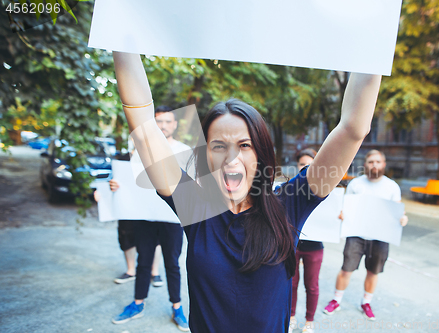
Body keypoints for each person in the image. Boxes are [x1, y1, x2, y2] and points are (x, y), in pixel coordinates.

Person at [113, 51, 382, 333]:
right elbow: (143, 129)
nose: (231, 158)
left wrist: (373, 44)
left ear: (261, 153)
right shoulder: (195, 204)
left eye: (244, 145)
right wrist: (121, 36)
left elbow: (353, 128)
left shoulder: (289, 203)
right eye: (218, 146)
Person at [111, 106, 190, 332]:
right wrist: (116, 185)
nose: (163, 126)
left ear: (174, 125)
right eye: (159, 122)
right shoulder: (140, 151)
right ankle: (137, 304)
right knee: (143, 261)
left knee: (172, 264)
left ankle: (177, 308)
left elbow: (195, 184)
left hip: (172, 218)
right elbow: (127, 181)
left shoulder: (184, 151)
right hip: (143, 217)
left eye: (167, 122)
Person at [323, 150, 408, 321]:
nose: (374, 165)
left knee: (373, 271)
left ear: (383, 164)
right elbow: (345, 208)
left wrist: (403, 218)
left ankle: (366, 302)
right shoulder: (356, 184)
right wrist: (342, 214)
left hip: (381, 236)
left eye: (377, 161)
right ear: (365, 165)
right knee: (346, 269)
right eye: (371, 162)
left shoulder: (392, 186)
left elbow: (398, 210)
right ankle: (336, 300)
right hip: (356, 235)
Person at [289, 149, 324, 333]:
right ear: (297, 166)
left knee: (311, 285)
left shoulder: (326, 190)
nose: (306, 167)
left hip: (315, 246)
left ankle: (309, 320)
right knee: (291, 283)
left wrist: (341, 217)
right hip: (292, 245)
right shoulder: (289, 190)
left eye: (310, 164)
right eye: (302, 164)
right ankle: (292, 317)